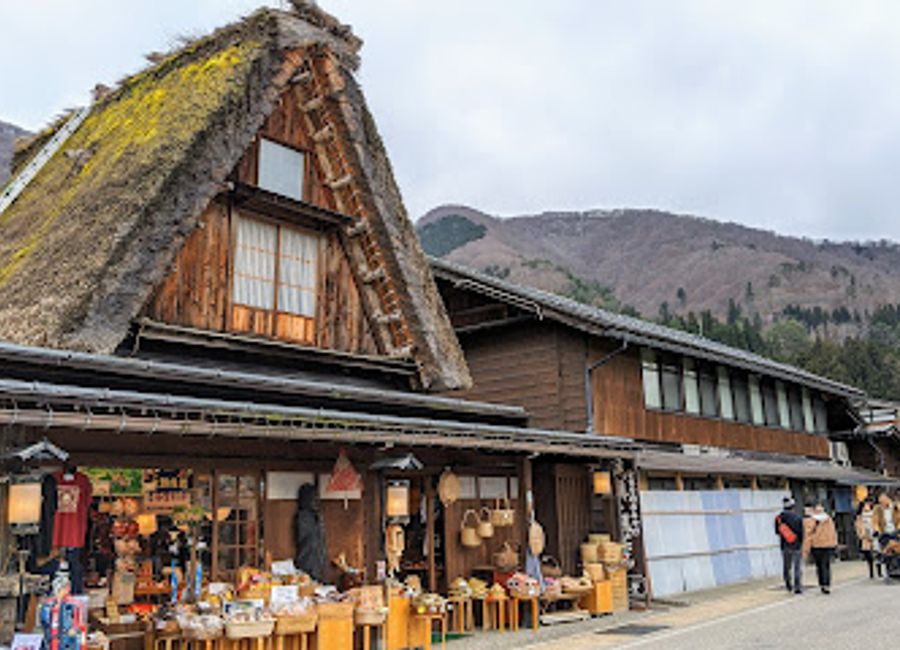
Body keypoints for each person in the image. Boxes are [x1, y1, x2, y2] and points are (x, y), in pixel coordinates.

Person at [804, 503, 838, 594]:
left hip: (816, 546)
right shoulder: (828, 519)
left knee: (819, 566)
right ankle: (827, 584)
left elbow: (807, 535)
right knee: (826, 565)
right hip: (827, 545)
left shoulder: (810, 520)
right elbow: (833, 532)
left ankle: (822, 584)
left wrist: (806, 549)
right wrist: (834, 543)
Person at [775, 496, 804, 594]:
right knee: (797, 566)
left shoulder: (778, 518)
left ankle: (788, 585)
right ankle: (797, 587)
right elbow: (801, 533)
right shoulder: (798, 518)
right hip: (796, 545)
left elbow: (777, 532)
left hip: (785, 545)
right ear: (793, 507)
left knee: (786, 567)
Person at [856, 500, 881, 579]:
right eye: (865, 506)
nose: (866, 507)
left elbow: (878, 524)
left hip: (875, 536)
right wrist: (861, 534)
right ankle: (871, 572)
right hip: (865, 537)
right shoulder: (860, 517)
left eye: (868, 505)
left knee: (877, 553)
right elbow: (858, 527)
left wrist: (877, 531)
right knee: (868, 555)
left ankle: (879, 571)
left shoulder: (874, 515)